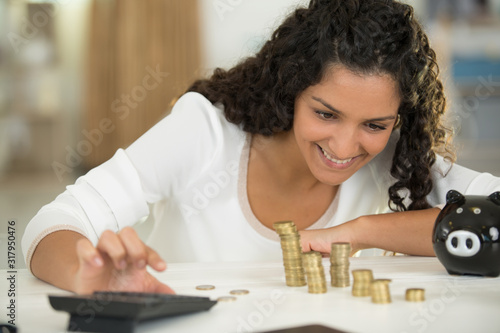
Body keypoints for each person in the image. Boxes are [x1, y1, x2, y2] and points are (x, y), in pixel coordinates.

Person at [21, 0, 500, 295]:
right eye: (325, 113)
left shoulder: (395, 153)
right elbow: (48, 226)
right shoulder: (206, 131)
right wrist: (87, 276)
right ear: (292, 87)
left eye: (373, 124)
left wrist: (364, 230)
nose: (344, 145)